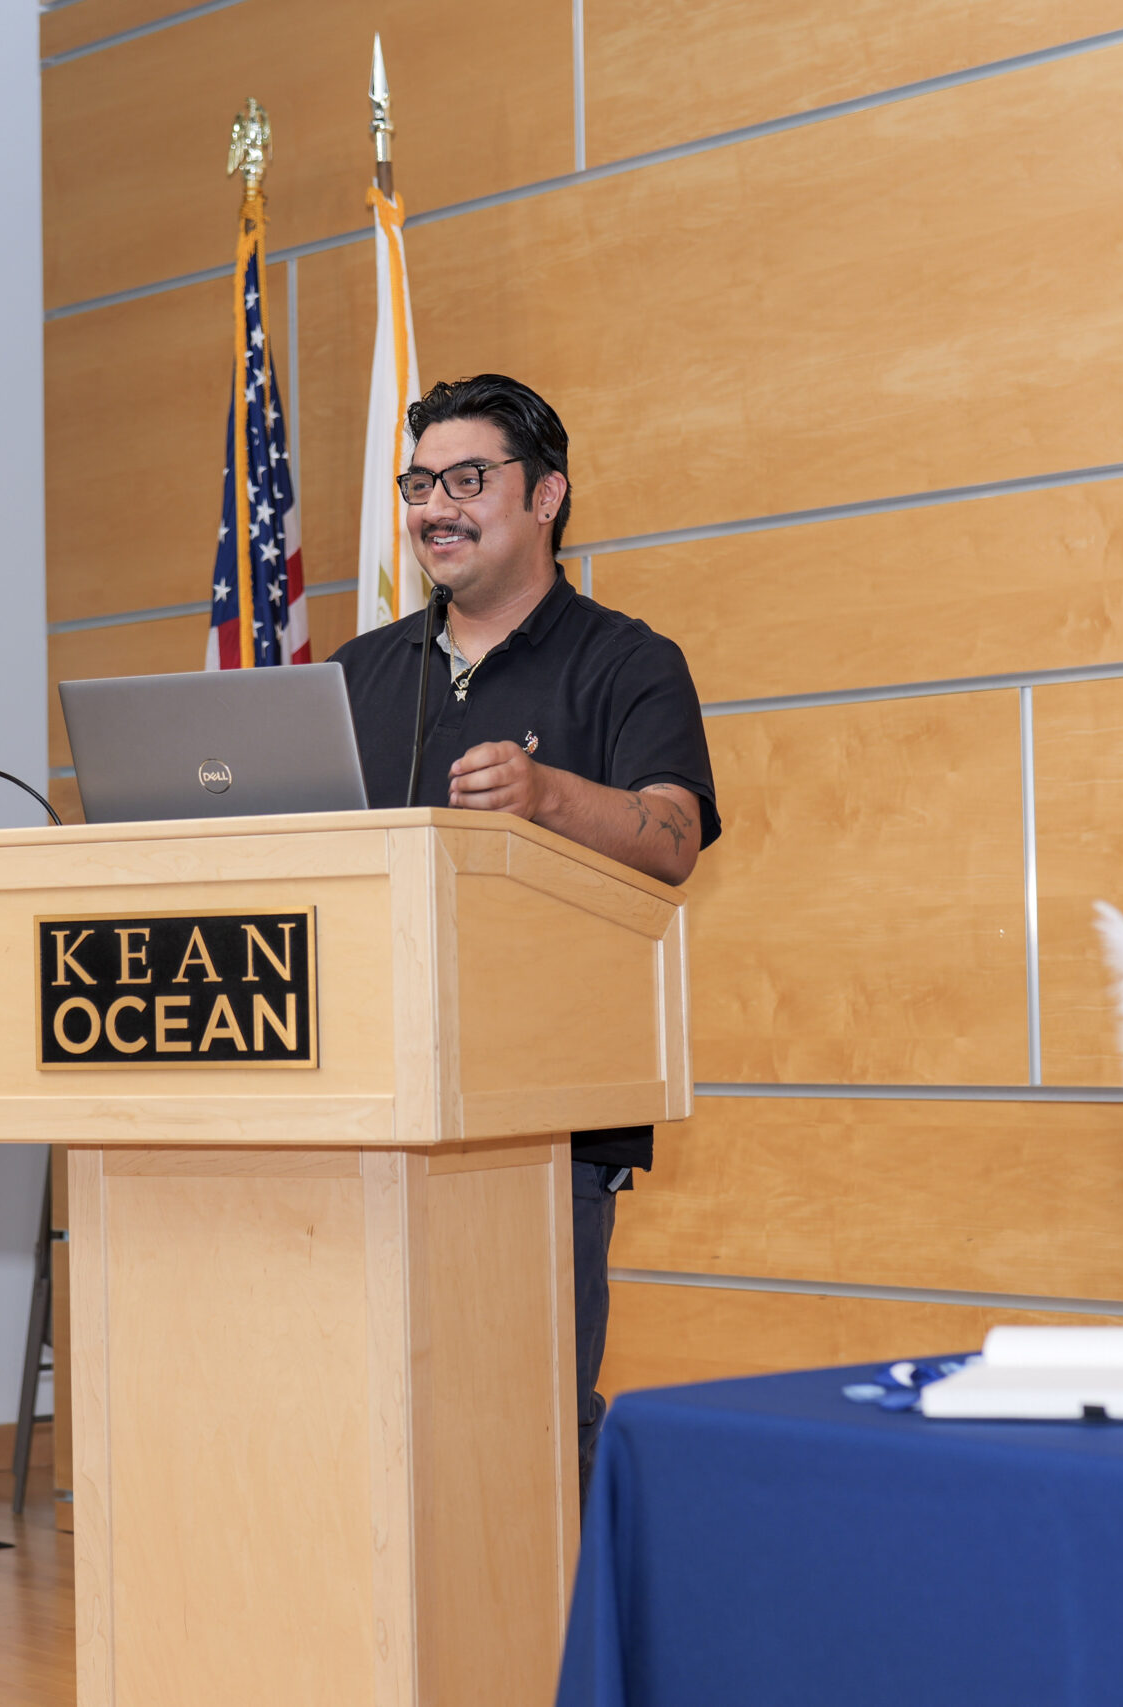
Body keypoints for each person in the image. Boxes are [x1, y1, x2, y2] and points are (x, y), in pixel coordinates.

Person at [331, 373, 721, 1495]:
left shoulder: (627, 661)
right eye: (417, 483)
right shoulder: (360, 673)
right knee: (372, 1426)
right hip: (360, 1100)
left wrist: (547, 794)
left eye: (466, 479)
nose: (433, 507)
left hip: (541, 1118)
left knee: (524, 1434)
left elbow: (670, 837)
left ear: (545, 495)